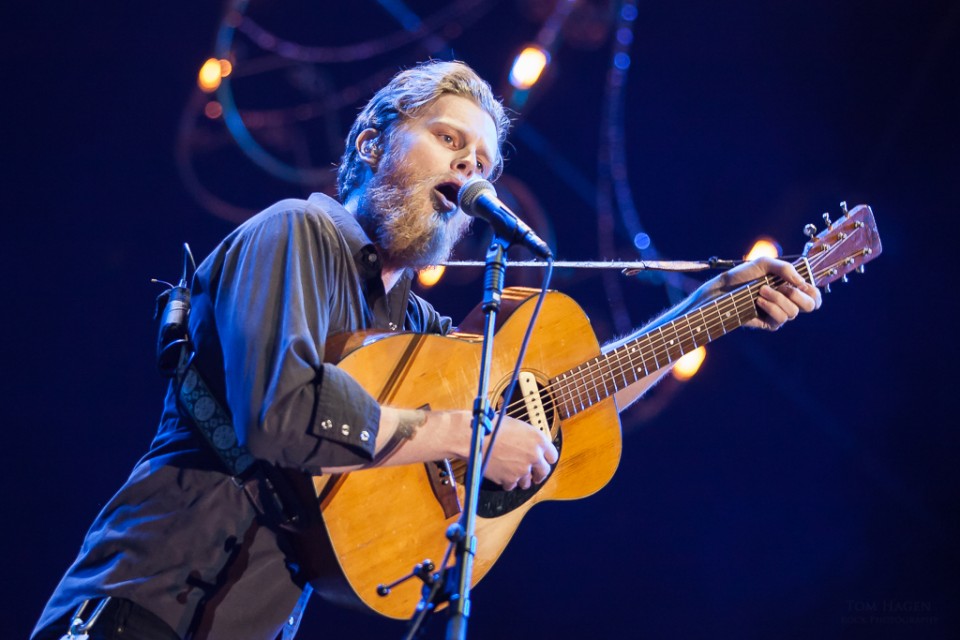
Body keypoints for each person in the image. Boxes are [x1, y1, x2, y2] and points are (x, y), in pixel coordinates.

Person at [32, 60, 821, 640]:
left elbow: (565, 398)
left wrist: (707, 313)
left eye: (482, 164)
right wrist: (471, 436)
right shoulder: (297, 231)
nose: (467, 169)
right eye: (449, 141)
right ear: (373, 143)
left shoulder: (420, 336)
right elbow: (285, 411)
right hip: (136, 607)